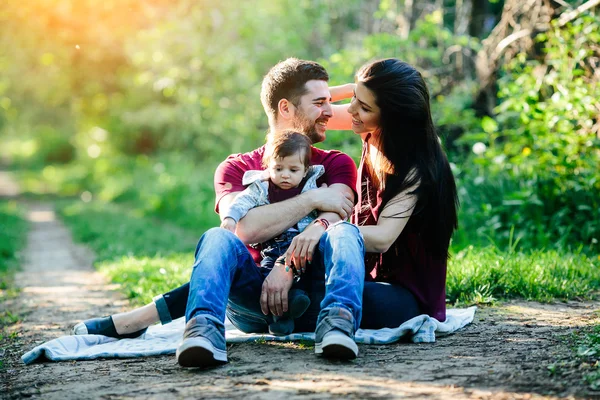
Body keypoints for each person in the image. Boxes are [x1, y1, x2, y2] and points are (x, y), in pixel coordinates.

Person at [75, 58, 459, 368]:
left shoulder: (344, 164)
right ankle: (198, 332)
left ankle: (139, 321)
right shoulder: (237, 168)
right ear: (286, 108)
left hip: (336, 286)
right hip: (256, 291)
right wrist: (312, 202)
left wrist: (301, 252)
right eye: (323, 103)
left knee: (333, 245)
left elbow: (352, 225)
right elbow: (242, 231)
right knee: (217, 240)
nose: (336, 112)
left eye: (349, 103)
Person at [220, 130, 325, 335]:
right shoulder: (261, 188)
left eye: (293, 170)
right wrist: (229, 220)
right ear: (269, 167)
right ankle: (281, 316)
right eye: (279, 168)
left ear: (305, 171)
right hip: (274, 248)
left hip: (303, 248)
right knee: (268, 279)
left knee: (308, 276)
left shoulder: (312, 188)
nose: (285, 175)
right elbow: (241, 202)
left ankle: (296, 300)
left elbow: (331, 211)